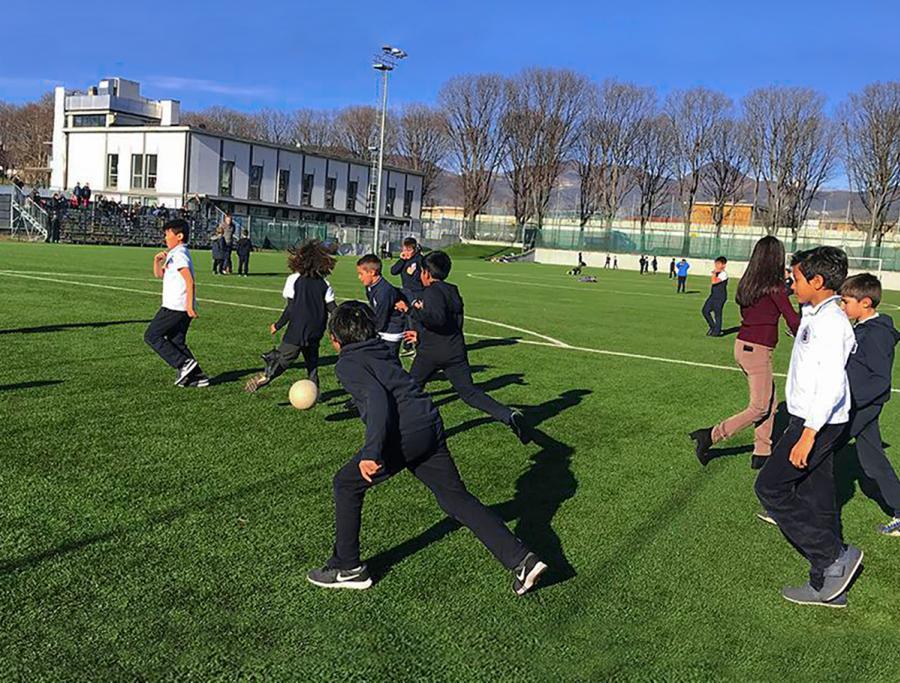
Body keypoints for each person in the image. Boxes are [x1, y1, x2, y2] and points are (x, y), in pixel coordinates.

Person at [305, 301, 548, 595]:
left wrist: (371, 453)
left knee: (345, 483)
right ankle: (522, 560)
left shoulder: (347, 363)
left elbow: (378, 402)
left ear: (335, 339)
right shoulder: (381, 349)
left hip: (405, 434)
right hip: (430, 424)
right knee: (455, 498)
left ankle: (348, 567)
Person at [754, 246, 861, 608]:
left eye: (796, 278)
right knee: (818, 497)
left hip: (817, 422)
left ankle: (833, 556)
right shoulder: (815, 313)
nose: (791, 282)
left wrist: (808, 434)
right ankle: (829, 586)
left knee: (771, 487)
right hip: (812, 418)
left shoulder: (831, 324)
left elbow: (830, 384)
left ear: (817, 282)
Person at [395, 250, 531, 445]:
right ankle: (510, 416)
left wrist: (410, 310)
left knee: (410, 391)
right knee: (470, 393)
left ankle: (405, 432)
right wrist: (420, 334)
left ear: (425, 273)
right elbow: (450, 323)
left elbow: (438, 320)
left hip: (432, 352)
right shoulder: (453, 290)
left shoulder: (431, 291)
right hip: (455, 350)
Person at [690, 237, 799, 470]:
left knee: (770, 403)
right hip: (757, 350)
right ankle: (710, 435)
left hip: (744, 346)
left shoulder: (749, 283)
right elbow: (792, 319)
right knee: (760, 406)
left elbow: (767, 307)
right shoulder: (775, 287)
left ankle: (762, 451)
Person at [839, 273, 900, 536]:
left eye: (846, 302)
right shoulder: (863, 327)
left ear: (865, 303)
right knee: (873, 460)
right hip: (860, 403)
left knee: (819, 448)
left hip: (862, 405)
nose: (842, 307)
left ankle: (789, 504)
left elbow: (880, 380)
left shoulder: (877, 335)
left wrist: (850, 403)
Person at [245, 240, 337, 393]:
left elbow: (291, 308)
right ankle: (315, 391)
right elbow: (333, 308)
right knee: (312, 361)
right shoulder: (324, 284)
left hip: (298, 329)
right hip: (316, 329)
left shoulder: (294, 279)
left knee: (283, 358)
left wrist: (278, 324)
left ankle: (266, 377)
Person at [143, 219, 209, 388]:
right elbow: (160, 275)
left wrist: (189, 306)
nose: (165, 238)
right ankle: (198, 377)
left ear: (179, 236)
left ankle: (183, 363)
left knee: (152, 335)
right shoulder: (174, 254)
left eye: (167, 234)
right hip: (178, 306)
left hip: (175, 306)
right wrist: (156, 262)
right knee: (176, 341)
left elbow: (189, 280)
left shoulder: (179, 254)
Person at [356, 254, 404, 357]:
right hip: (382, 328)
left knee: (389, 360)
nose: (359, 277)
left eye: (361, 274)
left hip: (390, 331)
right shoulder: (370, 286)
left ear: (372, 272)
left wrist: (370, 332)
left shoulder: (384, 292)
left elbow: (381, 317)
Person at [391, 237, 425, 356]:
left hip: (418, 293)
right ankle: (407, 346)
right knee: (405, 320)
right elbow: (393, 271)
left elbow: (424, 276)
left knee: (414, 321)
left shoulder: (420, 260)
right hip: (405, 293)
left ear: (415, 249)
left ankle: (419, 346)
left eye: (409, 249)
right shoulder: (404, 260)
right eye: (405, 248)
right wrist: (401, 260)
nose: (406, 251)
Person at [701, 256, 729, 337]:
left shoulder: (724, 274)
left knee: (717, 314)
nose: (716, 266)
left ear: (723, 265)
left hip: (720, 297)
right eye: (716, 264)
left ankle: (717, 332)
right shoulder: (717, 273)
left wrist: (713, 274)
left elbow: (714, 282)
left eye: (718, 264)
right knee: (705, 311)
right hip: (713, 295)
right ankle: (713, 327)